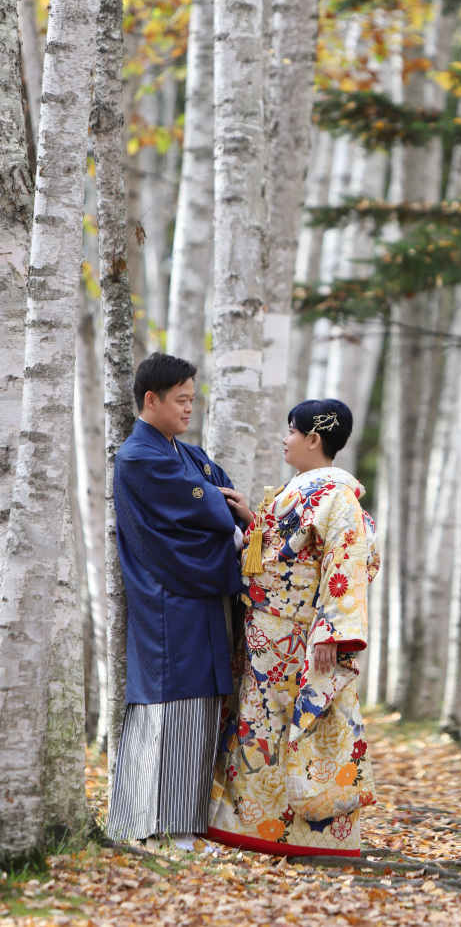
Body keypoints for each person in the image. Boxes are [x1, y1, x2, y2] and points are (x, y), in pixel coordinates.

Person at [206, 398, 380, 857]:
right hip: (265, 628)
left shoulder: (339, 495)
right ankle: (251, 826)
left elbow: (349, 563)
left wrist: (330, 631)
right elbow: (280, 548)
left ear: (313, 440)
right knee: (258, 725)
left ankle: (304, 834)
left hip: (299, 633)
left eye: (291, 431)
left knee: (293, 725)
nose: (284, 439)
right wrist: (251, 520)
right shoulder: (302, 489)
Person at [106, 353, 252, 849]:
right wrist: (220, 510)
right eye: (182, 399)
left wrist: (221, 504)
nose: (191, 408)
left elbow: (223, 490)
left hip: (197, 596)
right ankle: (154, 826)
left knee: (201, 711)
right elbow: (216, 505)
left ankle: (183, 825)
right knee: (170, 708)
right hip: (170, 598)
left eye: (193, 398)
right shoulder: (139, 457)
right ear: (152, 400)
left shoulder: (183, 453)